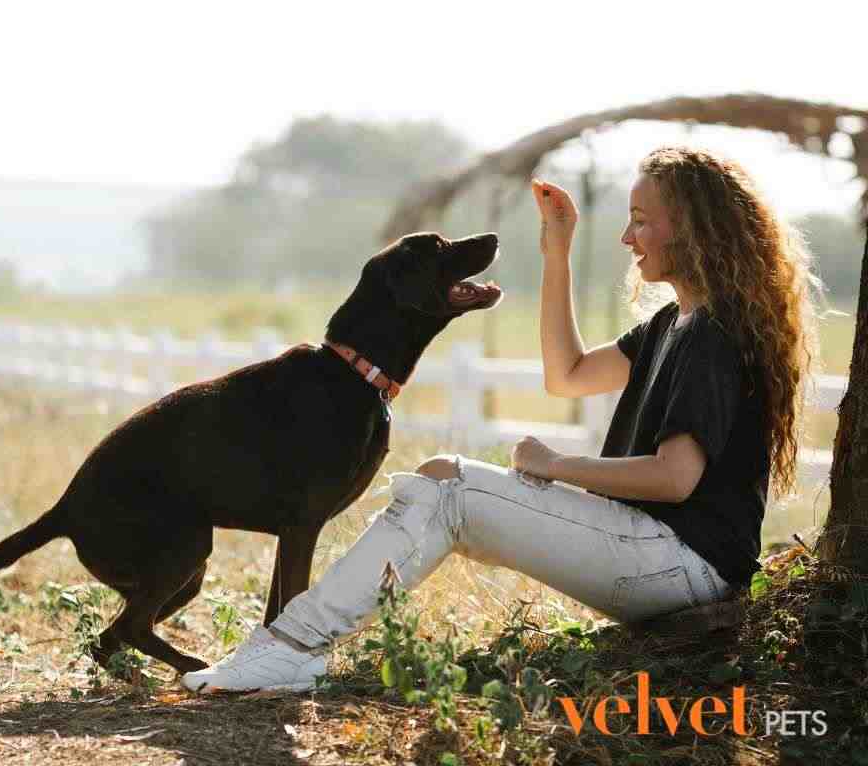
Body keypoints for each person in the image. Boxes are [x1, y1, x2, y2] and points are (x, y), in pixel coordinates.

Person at [181, 145, 819, 694]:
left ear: (697, 230)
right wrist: (558, 250)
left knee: (449, 487)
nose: (628, 239)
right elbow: (565, 374)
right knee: (441, 483)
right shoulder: (670, 325)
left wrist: (554, 466)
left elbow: (675, 478)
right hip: (659, 555)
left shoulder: (712, 336)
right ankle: (290, 646)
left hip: (684, 567)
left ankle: (288, 650)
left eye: (642, 221)